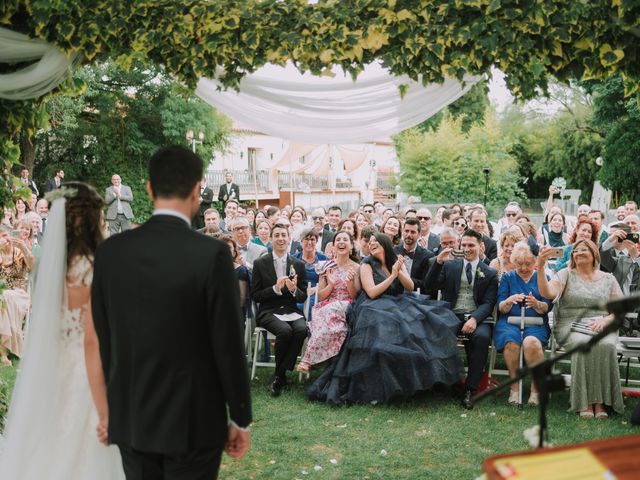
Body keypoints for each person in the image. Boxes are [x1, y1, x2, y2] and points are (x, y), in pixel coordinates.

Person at [91, 146, 252, 477]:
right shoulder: (212, 255)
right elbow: (228, 341)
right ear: (197, 190)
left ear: (148, 189)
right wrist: (240, 416)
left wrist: (112, 408)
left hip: (133, 415)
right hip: (195, 419)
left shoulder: (110, 253)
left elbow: (103, 336)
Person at [0, 182, 126, 478]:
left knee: (48, 449)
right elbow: (92, 341)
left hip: (50, 370)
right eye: (99, 215)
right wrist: (105, 410)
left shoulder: (47, 266)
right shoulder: (91, 267)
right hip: (86, 375)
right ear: (87, 219)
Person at [307, 232, 464, 405]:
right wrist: (392, 276)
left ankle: (415, 382)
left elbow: (410, 287)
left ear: (385, 244)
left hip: (399, 302)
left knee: (420, 328)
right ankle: (379, 387)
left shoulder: (396, 259)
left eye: (376, 242)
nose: (372, 244)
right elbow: (372, 292)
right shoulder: (366, 265)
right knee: (384, 330)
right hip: (372, 306)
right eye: (370, 242)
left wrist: (399, 270)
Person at [537, 240, 624, 418]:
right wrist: (540, 267)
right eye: (575, 251)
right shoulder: (565, 274)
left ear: (594, 254)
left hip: (601, 323)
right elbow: (547, 293)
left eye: (584, 250)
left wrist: (606, 320)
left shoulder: (608, 278)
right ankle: (584, 402)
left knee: (606, 345)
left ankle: (600, 403)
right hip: (569, 324)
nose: (578, 253)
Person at [425, 228, 498, 409]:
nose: (467, 248)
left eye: (471, 245)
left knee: (481, 338)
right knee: (439, 333)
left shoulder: (489, 272)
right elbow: (429, 286)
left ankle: (470, 390)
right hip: (452, 315)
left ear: (480, 247)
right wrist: (439, 263)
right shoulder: (450, 266)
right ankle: (444, 382)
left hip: (478, 317)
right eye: (464, 244)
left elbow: (488, 303)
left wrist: (474, 319)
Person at [252, 223, 308, 397]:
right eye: (276, 235)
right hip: (268, 310)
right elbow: (256, 295)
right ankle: (280, 376)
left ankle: (279, 373)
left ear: (289, 238)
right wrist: (275, 289)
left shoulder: (298, 264)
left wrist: (292, 289)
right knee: (284, 331)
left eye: (284, 235)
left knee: (301, 329)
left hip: (291, 309)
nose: (281, 238)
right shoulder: (260, 263)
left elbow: (302, 296)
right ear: (271, 239)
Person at [494, 242, 552, 405]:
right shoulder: (507, 277)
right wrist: (509, 300)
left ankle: (536, 389)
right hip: (510, 321)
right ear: (513, 262)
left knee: (531, 343)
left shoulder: (542, 277)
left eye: (528, 264)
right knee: (511, 343)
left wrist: (536, 304)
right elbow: (500, 307)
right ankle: (515, 387)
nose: (524, 268)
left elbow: (547, 306)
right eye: (519, 264)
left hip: (536, 322)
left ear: (535, 261)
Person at [296, 231, 360, 373]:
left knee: (331, 311)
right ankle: (320, 361)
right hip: (327, 305)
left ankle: (308, 359)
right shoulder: (325, 265)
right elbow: (321, 296)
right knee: (325, 313)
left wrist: (349, 283)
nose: (341, 242)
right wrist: (330, 284)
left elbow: (356, 296)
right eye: (338, 240)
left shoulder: (357, 268)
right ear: (333, 246)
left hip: (348, 305)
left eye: (345, 240)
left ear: (351, 246)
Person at [0, 225, 33, 366]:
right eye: (1, 237)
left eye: (6, 236)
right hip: (3, 295)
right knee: (3, 297)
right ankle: (3, 352)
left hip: (20, 294)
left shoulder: (19, 251)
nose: (4, 239)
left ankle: (4, 354)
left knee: (4, 297)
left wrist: (24, 248)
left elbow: (33, 267)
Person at [293, 228, 328, 322]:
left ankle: (310, 332)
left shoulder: (323, 258)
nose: (309, 242)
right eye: (306, 239)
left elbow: (327, 281)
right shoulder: (293, 258)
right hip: (298, 293)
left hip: (317, 293)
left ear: (316, 241)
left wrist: (315, 289)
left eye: (312, 239)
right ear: (301, 241)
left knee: (310, 305)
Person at [394, 217, 434, 292]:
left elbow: (425, 283)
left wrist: (406, 280)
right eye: (406, 231)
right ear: (402, 231)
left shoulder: (428, 256)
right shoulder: (393, 251)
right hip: (395, 296)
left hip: (416, 297)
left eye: (413, 232)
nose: (409, 235)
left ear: (419, 234)